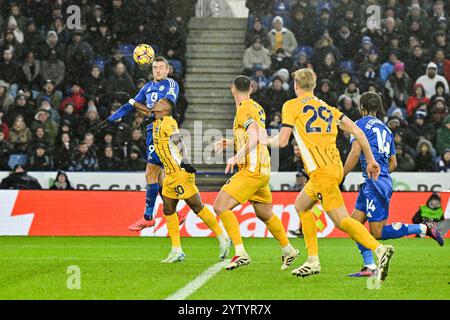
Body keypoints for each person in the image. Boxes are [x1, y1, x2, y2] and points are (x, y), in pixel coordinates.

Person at [268, 68, 394, 281]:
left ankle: (379, 249)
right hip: (333, 169)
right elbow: (359, 133)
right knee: (301, 205)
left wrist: (260, 140)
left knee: (342, 220)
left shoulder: (291, 105)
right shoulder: (329, 109)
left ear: (297, 86)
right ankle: (313, 261)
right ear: (314, 86)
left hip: (321, 172)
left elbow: (281, 141)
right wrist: (371, 160)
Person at [343, 92, 444, 277]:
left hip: (374, 183)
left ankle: (424, 228)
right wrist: (381, 174)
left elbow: (355, 153)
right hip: (375, 181)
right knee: (353, 224)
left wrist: (341, 175)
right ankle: (369, 267)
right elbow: (394, 163)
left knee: (377, 233)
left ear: (362, 108)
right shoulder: (387, 129)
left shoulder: (359, 125)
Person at [214, 75, 299, 271]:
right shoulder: (256, 107)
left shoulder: (244, 108)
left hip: (251, 170)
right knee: (264, 213)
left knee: (220, 206)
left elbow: (253, 135)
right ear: (251, 89)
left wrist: (237, 156)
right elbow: (256, 135)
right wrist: (231, 144)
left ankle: (240, 253)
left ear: (232, 89)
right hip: (263, 168)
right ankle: (288, 250)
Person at [92, 57, 181, 231]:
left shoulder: (171, 84)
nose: (157, 70)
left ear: (167, 70)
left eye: (161, 67)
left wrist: (135, 103)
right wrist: (108, 120)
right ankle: (176, 213)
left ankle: (148, 217)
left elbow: (163, 108)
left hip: (163, 130)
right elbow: (129, 106)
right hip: (151, 131)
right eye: (155, 67)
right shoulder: (147, 87)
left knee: (151, 173)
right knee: (159, 176)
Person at [151, 98, 230, 263]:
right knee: (168, 209)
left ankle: (222, 236)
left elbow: (179, 141)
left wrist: (185, 161)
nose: (156, 103)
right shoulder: (156, 121)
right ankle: (176, 250)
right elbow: (143, 109)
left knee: (196, 206)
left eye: (159, 102)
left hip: (180, 172)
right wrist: (131, 102)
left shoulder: (168, 121)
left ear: (166, 109)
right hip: (170, 175)